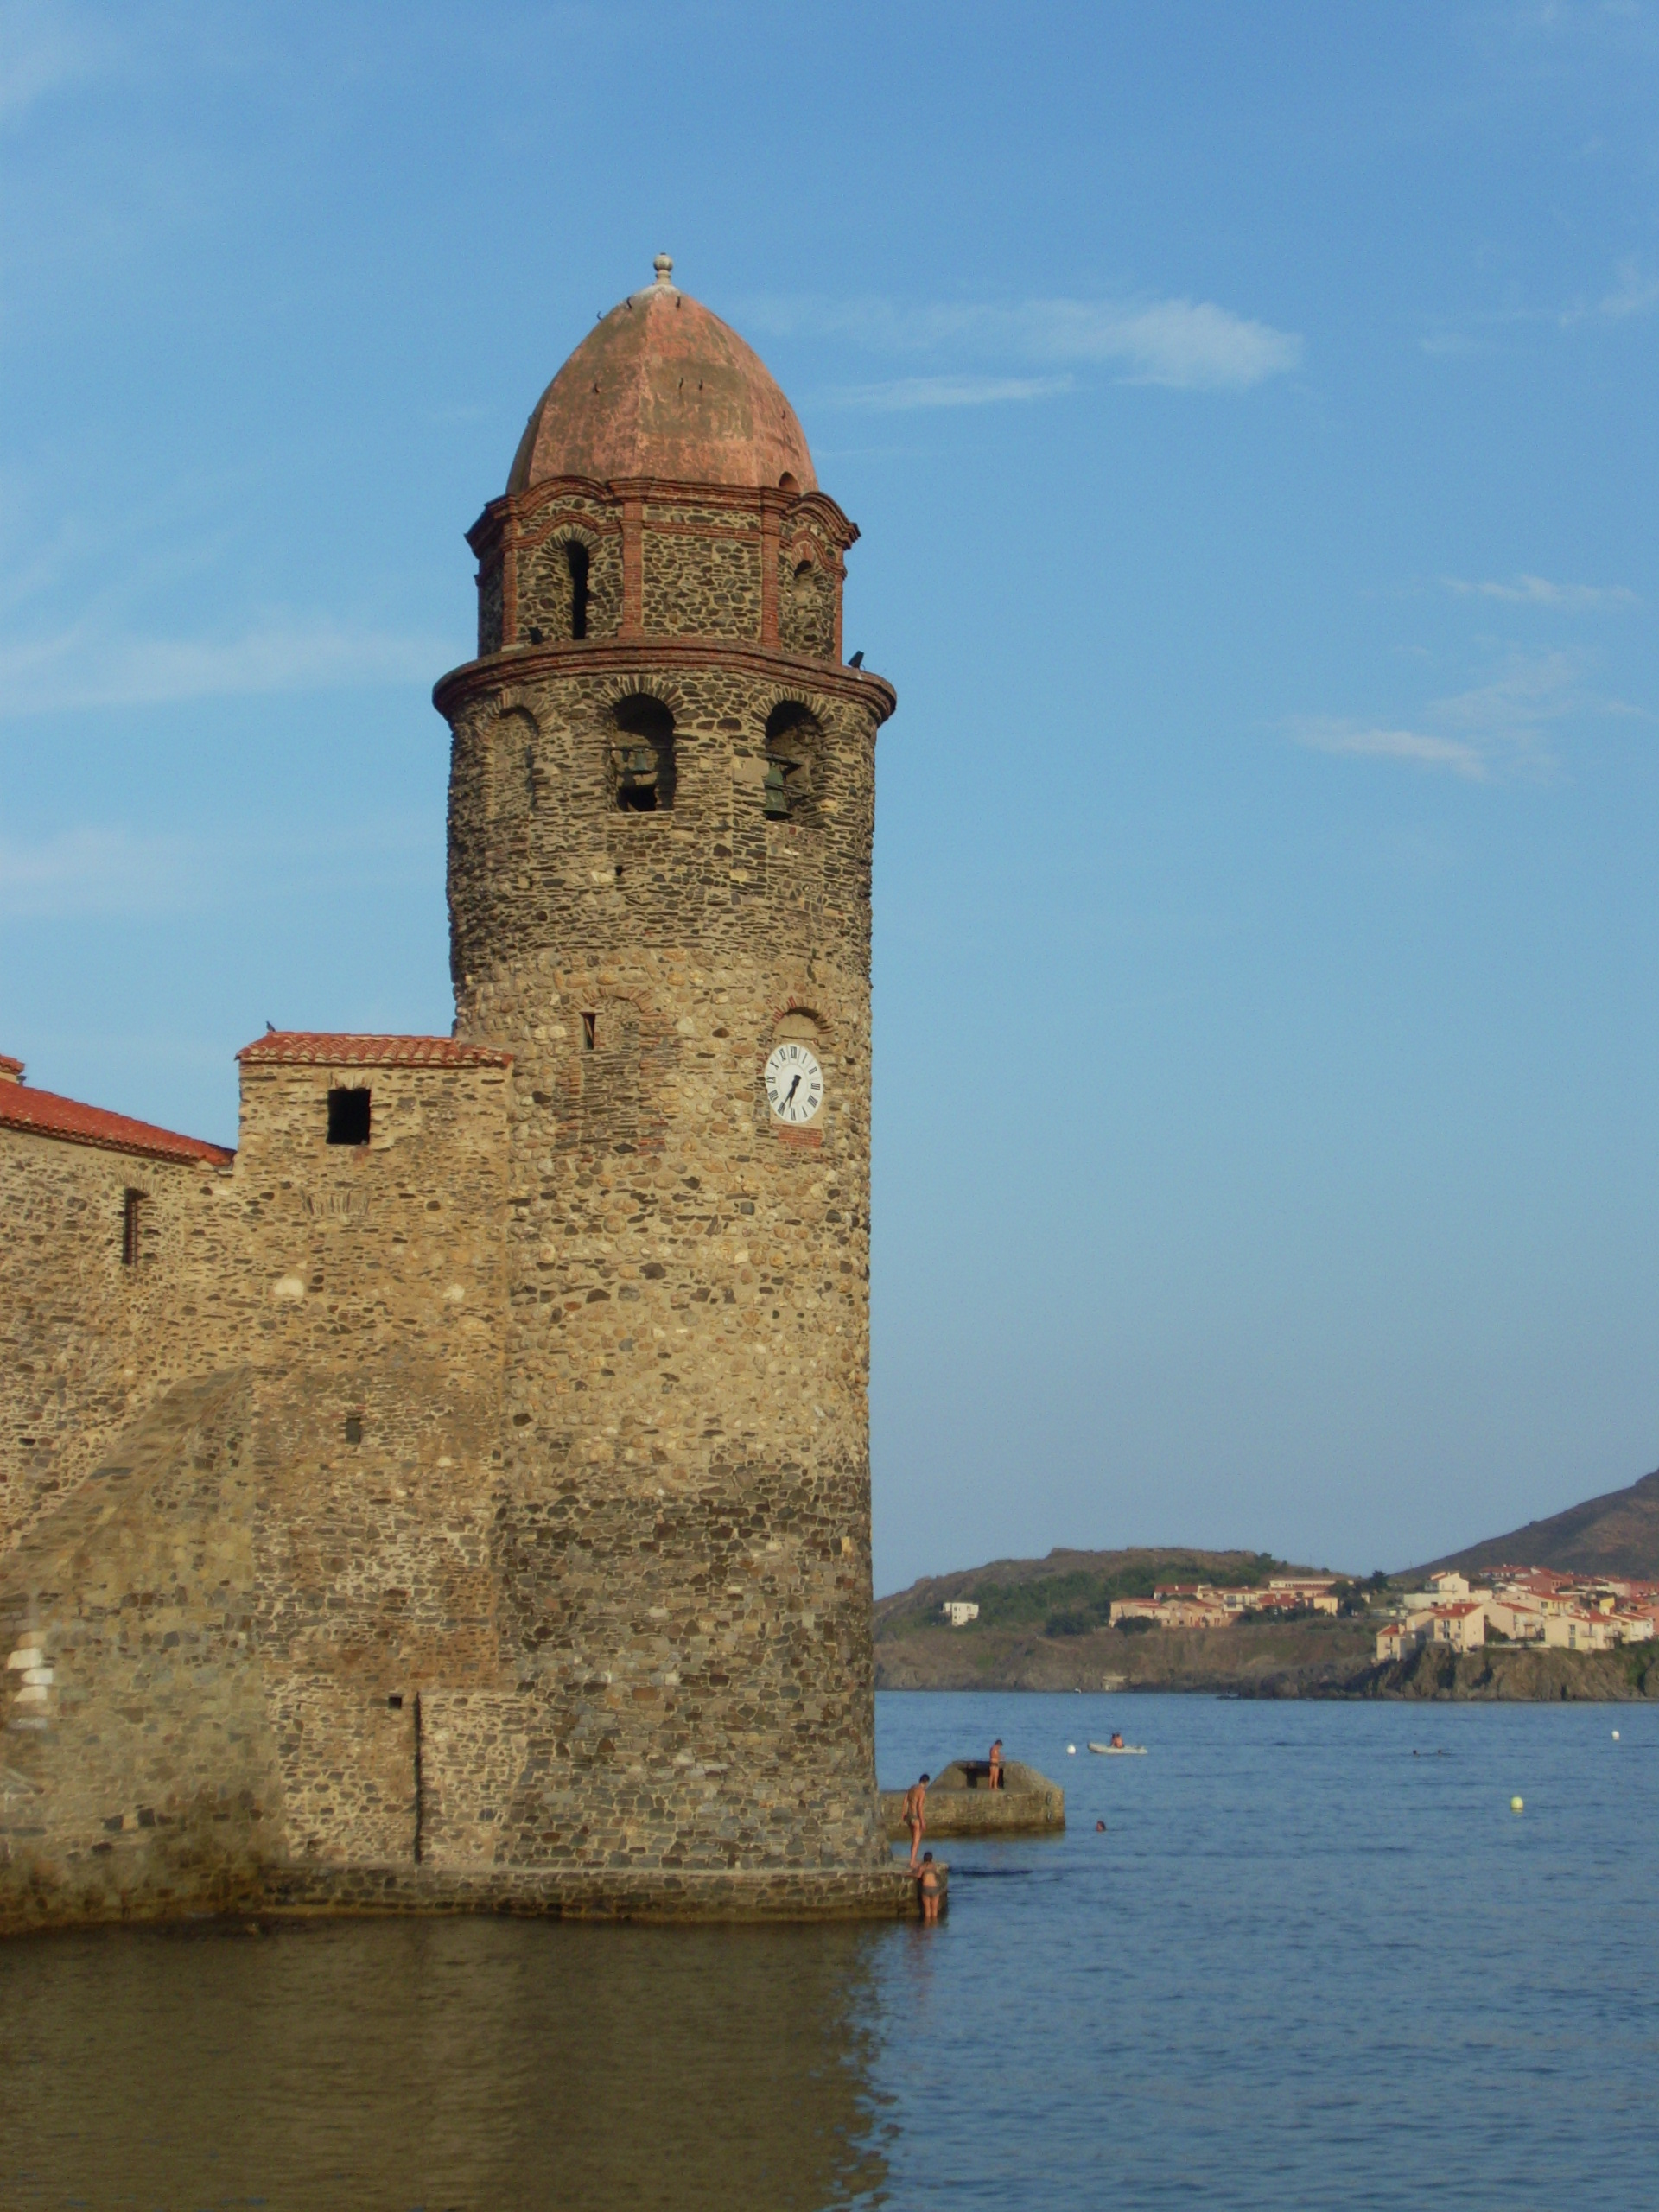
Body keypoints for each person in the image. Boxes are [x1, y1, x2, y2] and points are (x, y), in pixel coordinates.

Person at [902, 1773, 930, 1870]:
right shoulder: (922, 1791)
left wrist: (903, 1813)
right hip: (915, 1817)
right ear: (926, 1782)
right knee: (916, 1841)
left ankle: (913, 1859)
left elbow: (905, 1801)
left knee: (913, 1839)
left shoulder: (912, 1788)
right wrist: (922, 1821)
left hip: (909, 1816)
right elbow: (919, 1807)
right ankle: (912, 1862)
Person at [918, 1851, 943, 1923]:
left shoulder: (922, 1866)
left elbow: (919, 1875)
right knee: (935, 1910)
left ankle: (927, 1926)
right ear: (931, 1858)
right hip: (934, 1888)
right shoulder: (934, 1866)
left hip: (926, 1887)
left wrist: (908, 1874)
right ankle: (934, 1926)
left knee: (927, 1910)